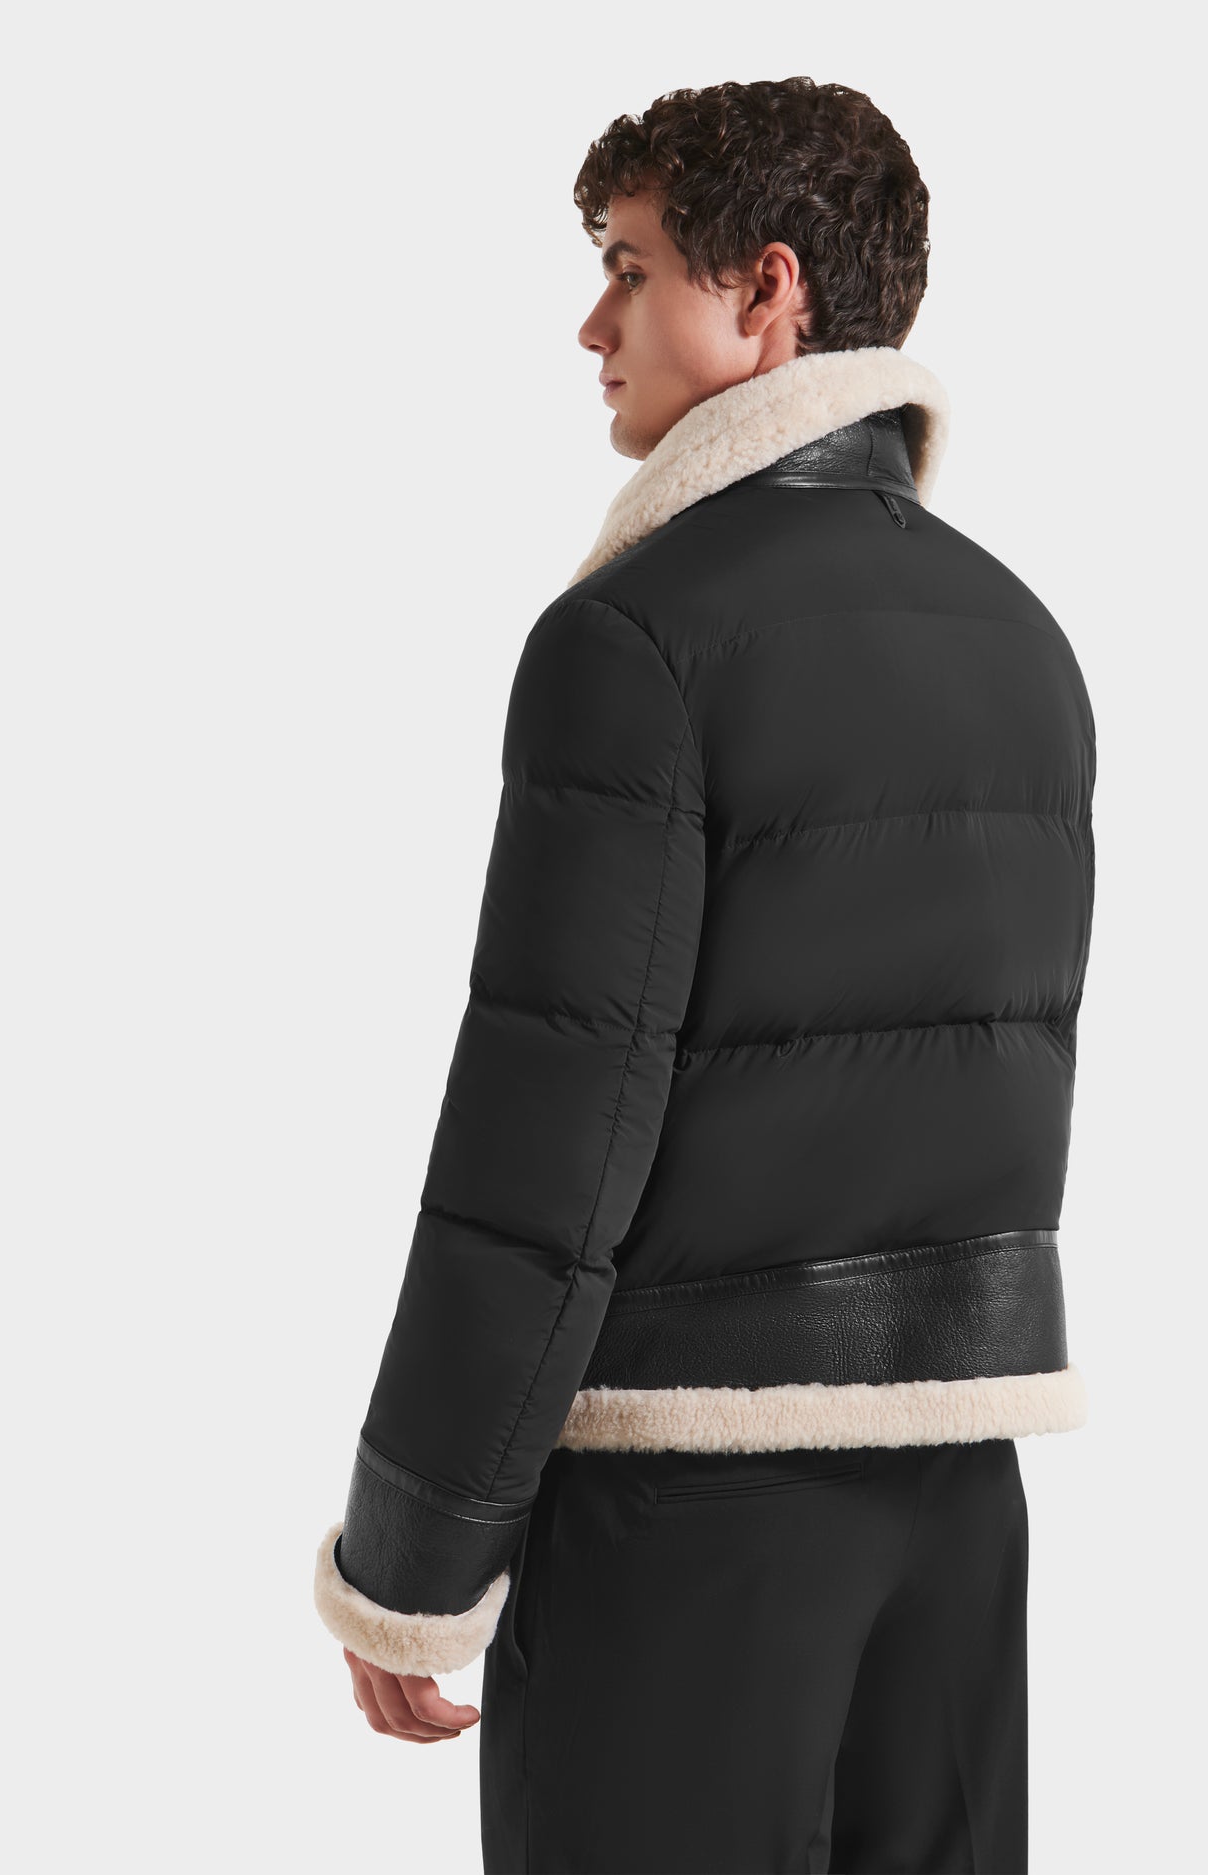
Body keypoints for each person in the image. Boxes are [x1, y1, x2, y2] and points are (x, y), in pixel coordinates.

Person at [313, 74, 1097, 1875]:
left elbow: (545, 1137)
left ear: (768, 291)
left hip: (686, 1517)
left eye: (630, 266)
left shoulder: (639, 639)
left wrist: (414, 1556)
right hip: (959, 1507)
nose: (591, 325)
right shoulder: (1021, 642)